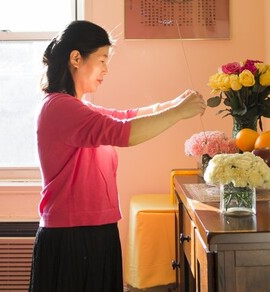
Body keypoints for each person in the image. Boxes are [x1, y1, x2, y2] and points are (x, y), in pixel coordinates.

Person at [28, 20, 206, 292]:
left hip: (91, 230)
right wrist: (179, 112)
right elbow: (124, 132)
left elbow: (125, 117)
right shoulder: (60, 107)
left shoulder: (77, 106)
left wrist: (172, 105)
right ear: (76, 58)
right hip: (72, 237)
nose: (106, 70)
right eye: (101, 60)